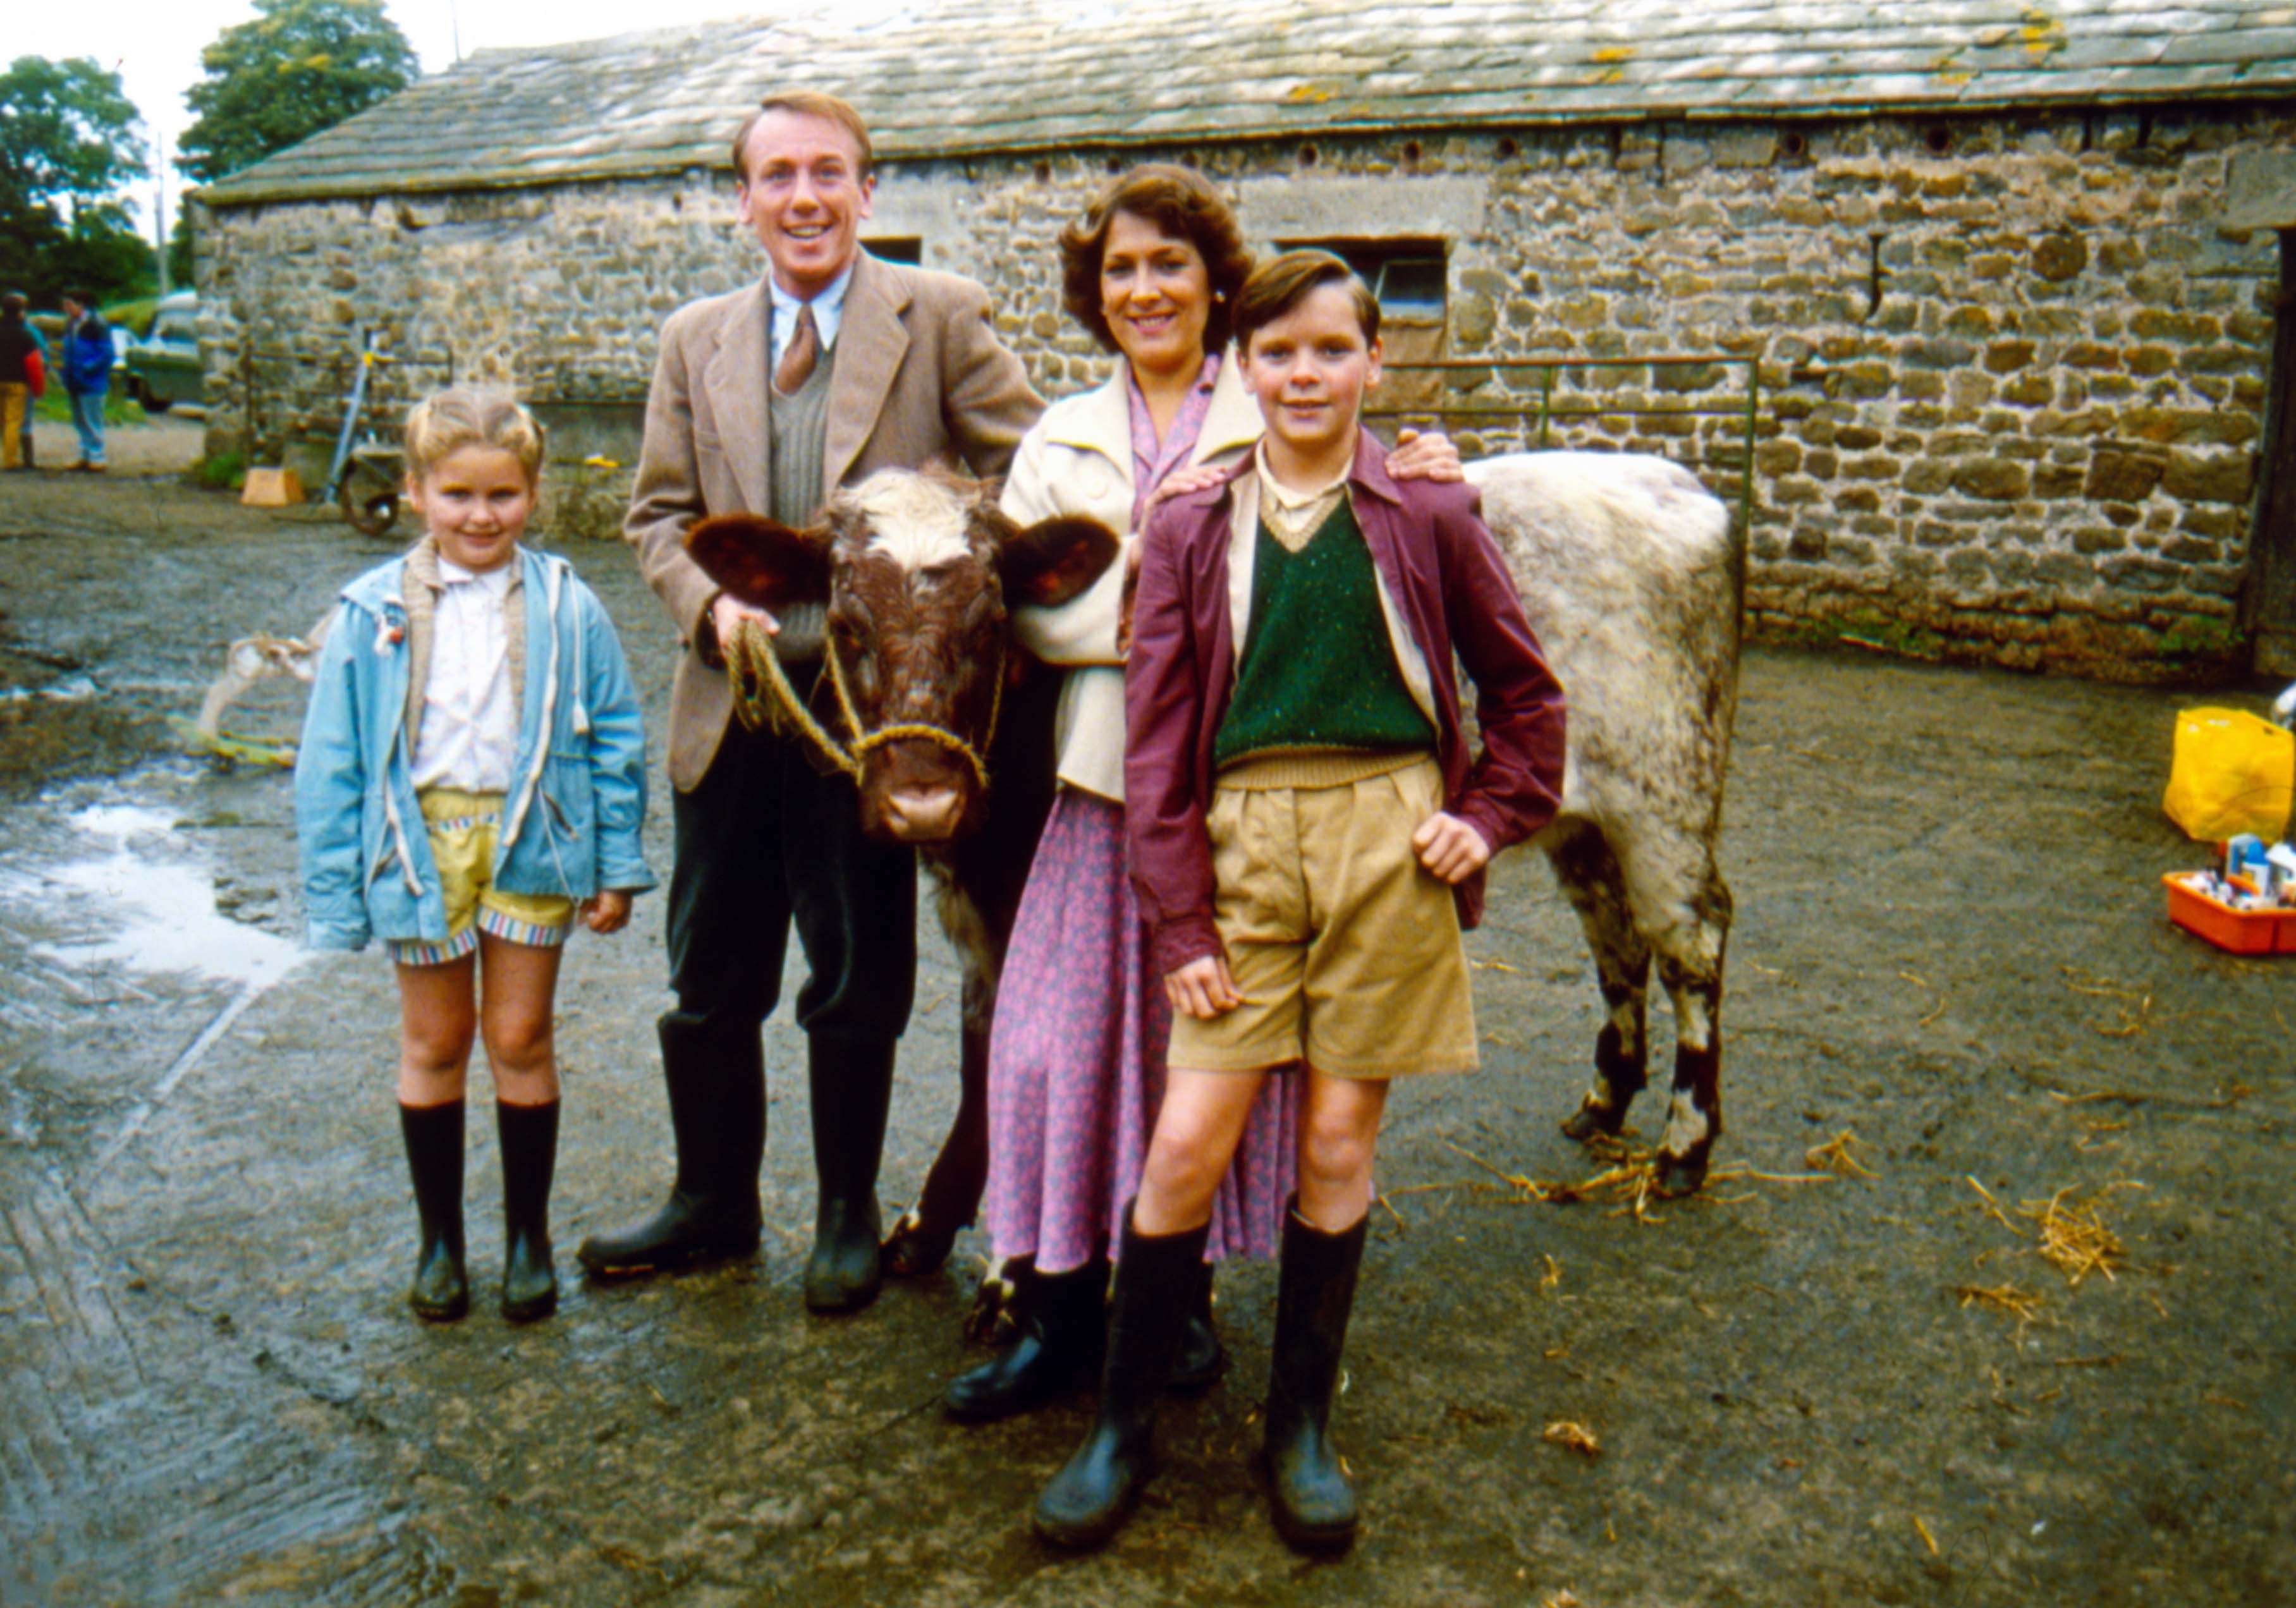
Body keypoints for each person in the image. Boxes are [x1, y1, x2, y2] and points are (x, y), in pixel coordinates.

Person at [1030, 252, 1568, 1552]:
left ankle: (1300, 1429)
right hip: (1243, 845)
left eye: (1332, 350)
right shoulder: (1191, 522)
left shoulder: (1428, 514)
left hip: (1388, 844)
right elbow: (1155, 745)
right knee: (1184, 1142)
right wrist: (1180, 920)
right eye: (1277, 355)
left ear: (1374, 364)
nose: (1306, 375)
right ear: (1243, 369)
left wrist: (1482, 816)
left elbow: (1528, 700)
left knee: (1336, 1144)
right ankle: (1121, 1427)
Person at [947, 166, 1460, 1423]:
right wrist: (1148, 614)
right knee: (1060, 1052)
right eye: (1120, 271)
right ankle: (1054, 1306)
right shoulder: (1056, 437)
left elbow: (1361, 530)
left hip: (1245, 792)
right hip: (1100, 781)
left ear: (1213, 285)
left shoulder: (1280, 387)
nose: (1144, 290)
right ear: (1096, 294)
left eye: (1169, 266)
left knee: (1205, 1071)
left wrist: (1439, 463)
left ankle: (1175, 1307)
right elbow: (1003, 606)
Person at [582, 89, 1041, 1314]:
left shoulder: (933, 317)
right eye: (776, 175)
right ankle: (712, 1202)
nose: (803, 198)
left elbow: (1032, 470)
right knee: (710, 977)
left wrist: (933, 538)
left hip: (873, 719)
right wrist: (705, 608)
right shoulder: (696, 337)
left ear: (866, 192)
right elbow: (656, 517)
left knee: (856, 975)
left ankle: (845, 1211)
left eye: (827, 173)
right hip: (730, 704)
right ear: (743, 200)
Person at [296, 387, 654, 1324]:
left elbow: (615, 737)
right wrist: (338, 894)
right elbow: (332, 760)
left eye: (502, 496)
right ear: (416, 492)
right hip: (419, 849)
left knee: (520, 1039)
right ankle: (441, 1245)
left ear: (532, 494)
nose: (480, 516)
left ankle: (526, 1241)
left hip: (535, 835)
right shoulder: (367, 610)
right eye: (457, 495)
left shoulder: (571, 606)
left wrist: (615, 864)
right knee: (437, 1041)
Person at [59, 292, 113, 473]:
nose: (66, 309)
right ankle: (85, 454)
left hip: (91, 381)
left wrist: (88, 367)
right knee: (79, 419)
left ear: (81, 305)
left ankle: (98, 456)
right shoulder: (70, 325)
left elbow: (107, 353)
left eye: (69, 305)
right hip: (74, 380)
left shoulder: (98, 324)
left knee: (93, 419)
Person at [0, 293, 35, 472]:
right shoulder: (25, 334)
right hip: (18, 382)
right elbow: (33, 361)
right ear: (20, 312)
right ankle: (9, 459)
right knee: (13, 422)